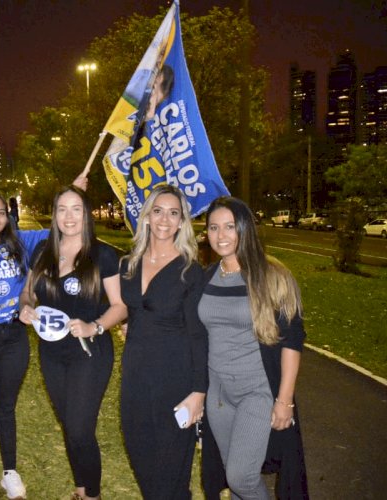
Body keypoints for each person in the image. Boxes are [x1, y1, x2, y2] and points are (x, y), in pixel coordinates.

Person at [0, 174, 86, 500]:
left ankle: (10, 472)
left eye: (1, 212)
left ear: (8, 216)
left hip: (13, 338)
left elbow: (61, 228)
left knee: (5, 407)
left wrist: (76, 189)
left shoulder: (19, 243)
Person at [18, 186, 126, 500]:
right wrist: (25, 306)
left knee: (80, 429)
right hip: (52, 352)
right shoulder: (42, 251)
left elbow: (120, 306)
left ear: (87, 213)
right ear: (54, 214)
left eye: (76, 208)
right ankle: (80, 490)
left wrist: (95, 325)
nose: (69, 216)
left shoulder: (103, 254)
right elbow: (28, 292)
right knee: (70, 425)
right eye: (62, 209)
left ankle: (92, 495)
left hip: (88, 352)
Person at [199, 196, 308, 499]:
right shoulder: (207, 276)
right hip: (218, 395)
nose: (221, 236)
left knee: (242, 477)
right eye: (213, 227)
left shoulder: (272, 276)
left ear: (245, 228)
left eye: (230, 227)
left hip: (256, 392)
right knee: (231, 475)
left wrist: (284, 401)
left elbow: (293, 339)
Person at [118, 184, 207, 498]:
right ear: (146, 217)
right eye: (158, 211)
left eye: (174, 213)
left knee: (171, 474)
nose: (165, 220)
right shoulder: (127, 265)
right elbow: (130, 310)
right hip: (135, 378)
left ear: (182, 221)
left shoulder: (190, 272)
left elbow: (198, 335)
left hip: (175, 381)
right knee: (141, 459)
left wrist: (199, 392)